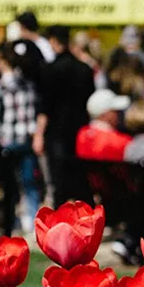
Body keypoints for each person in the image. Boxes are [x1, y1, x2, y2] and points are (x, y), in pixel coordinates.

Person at [36, 26, 97, 206]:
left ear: (53, 41)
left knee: (59, 183)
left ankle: (61, 222)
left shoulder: (50, 69)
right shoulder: (84, 69)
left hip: (57, 133)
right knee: (81, 181)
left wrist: (39, 134)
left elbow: (45, 107)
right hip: (80, 131)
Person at [0, 44, 41, 235]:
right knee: (28, 182)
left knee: (10, 187)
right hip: (26, 137)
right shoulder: (28, 84)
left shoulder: (0, 87)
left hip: (7, 140)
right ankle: (31, 220)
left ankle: (14, 220)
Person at [76, 90, 133, 162]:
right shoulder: (123, 142)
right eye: (115, 111)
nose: (119, 114)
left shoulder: (82, 134)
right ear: (105, 114)